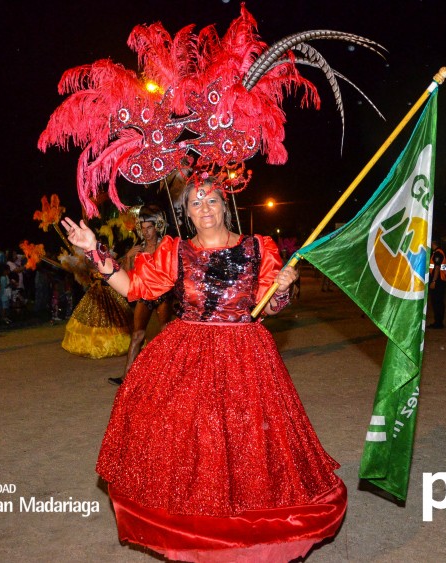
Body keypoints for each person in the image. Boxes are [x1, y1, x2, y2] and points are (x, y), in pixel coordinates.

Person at [61, 176, 345, 562]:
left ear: (225, 206)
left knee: (250, 445)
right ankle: (198, 533)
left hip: (247, 356)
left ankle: (254, 532)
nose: (205, 208)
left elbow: (271, 307)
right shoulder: (173, 252)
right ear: (186, 214)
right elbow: (134, 288)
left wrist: (281, 288)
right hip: (187, 355)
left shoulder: (258, 247)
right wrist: (95, 250)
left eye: (212, 199)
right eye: (196, 203)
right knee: (193, 445)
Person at [109, 205, 174, 384]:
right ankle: (126, 377)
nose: (146, 232)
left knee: (165, 334)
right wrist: (129, 257)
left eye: (149, 228)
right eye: (143, 229)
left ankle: (169, 376)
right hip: (145, 295)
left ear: (157, 227)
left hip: (163, 295)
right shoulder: (138, 249)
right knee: (137, 335)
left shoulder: (165, 244)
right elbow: (129, 275)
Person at [428, 239, 446, 328]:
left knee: (437, 302)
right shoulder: (437, 252)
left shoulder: (438, 253)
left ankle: (438, 323)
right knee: (437, 302)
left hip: (438, 281)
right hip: (439, 280)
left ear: (433, 243)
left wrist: (434, 281)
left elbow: (437, 268)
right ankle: (438, 322)